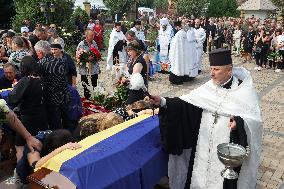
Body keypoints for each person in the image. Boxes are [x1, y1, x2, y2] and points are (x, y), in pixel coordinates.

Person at [151, 49, 262, 189]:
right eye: (211, 68)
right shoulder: (209, 87)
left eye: (216, 69)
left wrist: (239, 123)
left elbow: (254, 120)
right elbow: (187, 103)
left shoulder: (243, 91)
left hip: (225, 147)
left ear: (229, 70)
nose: (212, 73)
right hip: (203, 146)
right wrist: (162, 101)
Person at [7, 56, 48, 163]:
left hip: (27, 119)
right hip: (42, 117)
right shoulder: (42, 79)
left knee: (19, 146)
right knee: (38, 144)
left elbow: (12, 99)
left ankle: (20, 172)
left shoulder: (25, 81)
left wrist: (15, 87)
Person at [34, 40, 72, 131]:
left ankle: (59, 141)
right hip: (64, 94)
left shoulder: (40, 64)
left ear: (40, 52)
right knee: (67, 119)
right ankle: (71, 136)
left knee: (55, 123)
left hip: (51, 97)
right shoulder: (61, 61)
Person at [77, 29, 100, 99]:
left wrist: (94, 57)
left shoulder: (94, 43)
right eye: (91, 35)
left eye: (93, 35)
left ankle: (95, 97)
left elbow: (98, 53)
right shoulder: (81, 44)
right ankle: (87, 98)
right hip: (85, 68)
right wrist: (86, 58)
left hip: (93, 68)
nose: (93, 36)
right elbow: (78, 56)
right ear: (86, 36)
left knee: (94, 83)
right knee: (85, 84)